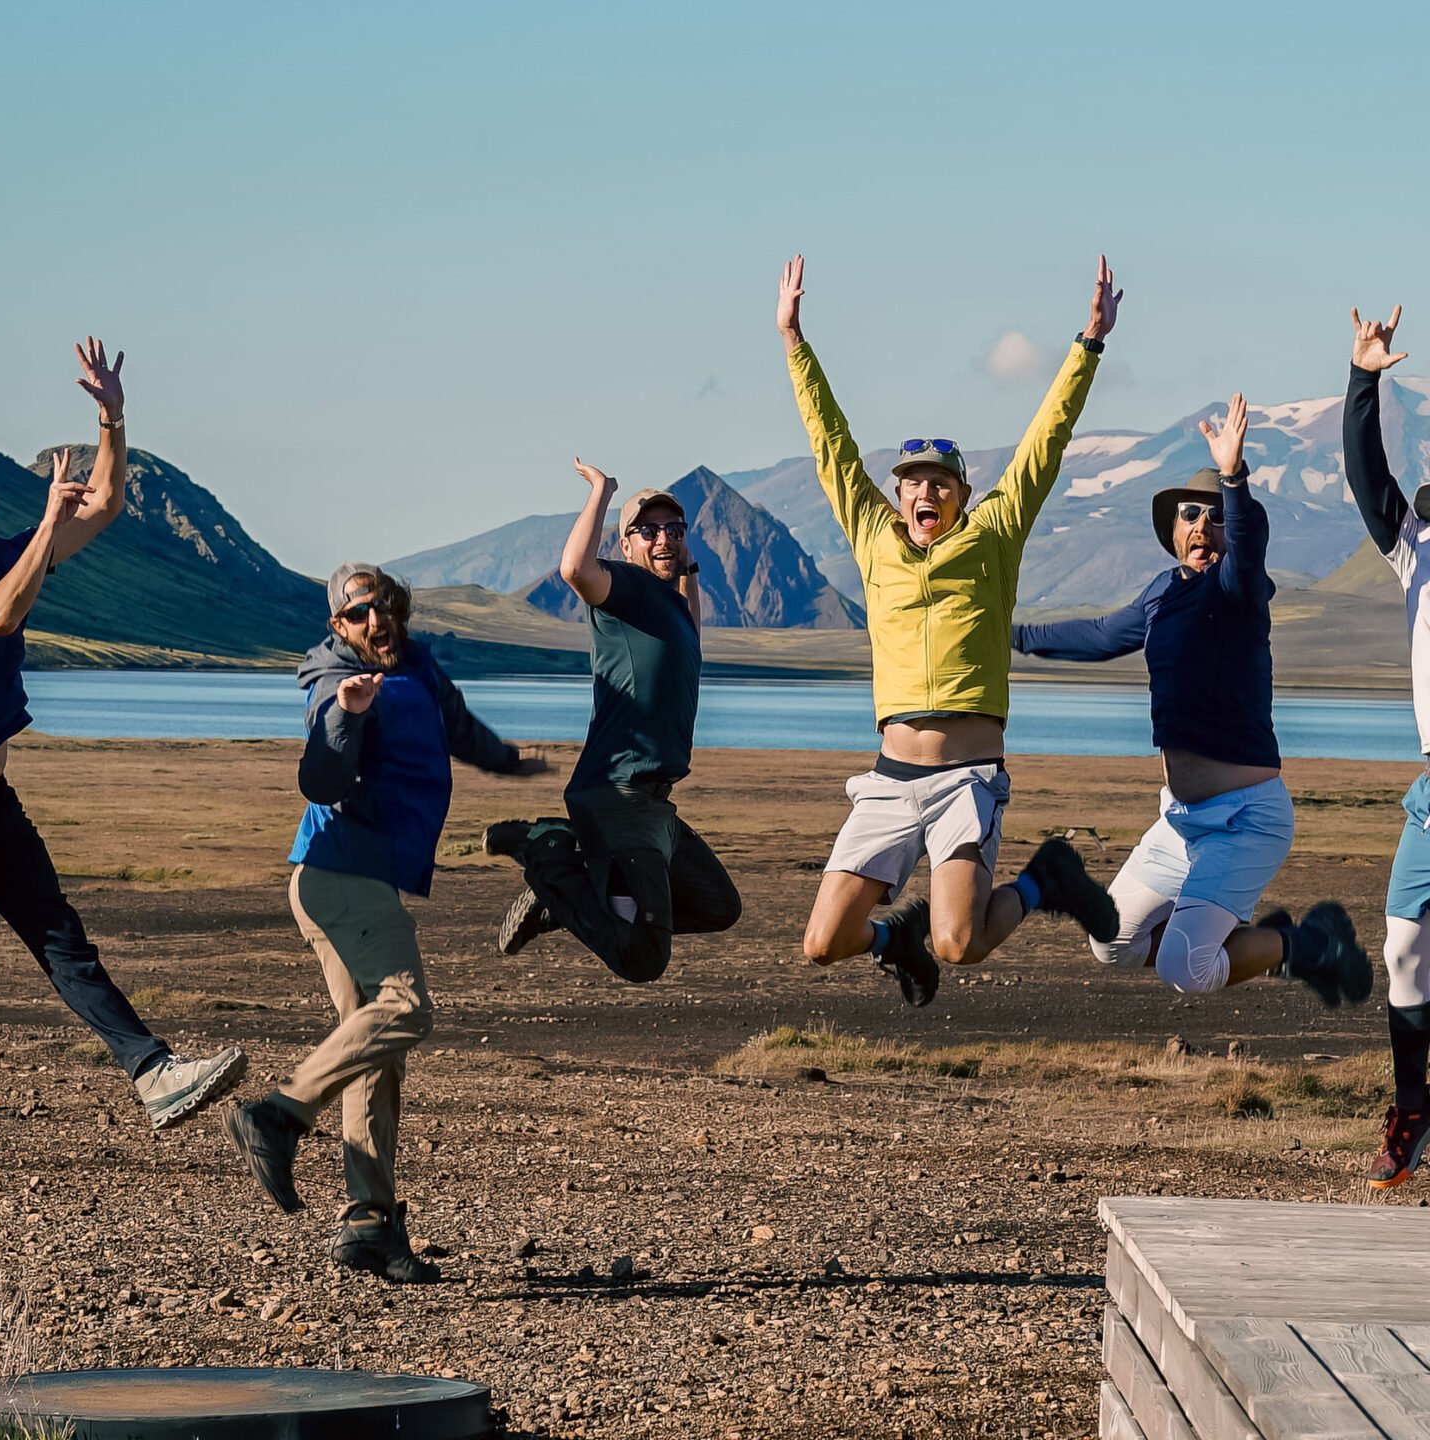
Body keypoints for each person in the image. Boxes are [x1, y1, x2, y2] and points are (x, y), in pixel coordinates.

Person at [777, 254, 1120, 1008]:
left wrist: (1086, 346)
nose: (925, 491)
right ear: (897, 495)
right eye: (913, 482)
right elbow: (830, 446)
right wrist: (795, 344)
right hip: (891, 779)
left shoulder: (993, 536)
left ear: (963, 494)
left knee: (959, 944)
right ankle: (892, 939)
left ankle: (1047, 879)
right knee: (822, 943)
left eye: (941, 482)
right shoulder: (872, 536)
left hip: (967, 775)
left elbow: (1044, 445)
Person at [222, 564, 545, 1282]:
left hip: (362, 879)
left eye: (388, 607)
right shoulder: (333, 682)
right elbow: (321, 779)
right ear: (339, 625)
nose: (379, 622)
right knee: (405, 1009)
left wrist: (511, 763)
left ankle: (369, 1224)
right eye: (362, 613)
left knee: (374, 1044)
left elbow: (459, 727)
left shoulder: (417, 667)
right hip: (341, 879)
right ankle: (279, 1116)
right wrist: (347, 712)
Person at [1013, 392, 1372, 1007]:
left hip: (1245, 821)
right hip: (1180, 821)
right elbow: (1098, 636)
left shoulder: (1241, 588)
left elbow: (1250, 535)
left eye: (1215, 516)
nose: (1202, 525)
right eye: (1189, 514)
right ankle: (1233, 934)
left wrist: (1233, 475)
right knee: (1114, 944)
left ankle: (1305, 945)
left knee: (1185, 965)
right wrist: (1005, 635)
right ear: (1173, 530)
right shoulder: (1160, 593)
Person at [0, 337, 246, 1127]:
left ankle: (154, 1071)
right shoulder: (13, 559)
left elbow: (103, 507)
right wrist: (41, 529)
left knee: (61, 939)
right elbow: (0, 615)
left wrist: (112, 418)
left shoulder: (6, 554)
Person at [482, 460, 741, 983]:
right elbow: (576, 569)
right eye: (647, 531)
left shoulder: (668, 606)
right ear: (625, 547)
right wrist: (603, 491)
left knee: (718, 907)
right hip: (618, 794)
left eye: (674, 530)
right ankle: (546, 851)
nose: (663, 539)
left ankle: (565, 896)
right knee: (641, 959)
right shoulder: (624, 590)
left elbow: (692, 633)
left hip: (654, 804)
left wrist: (688, 570)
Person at [1340, 303, 1430, 1188]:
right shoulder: (1418, 548)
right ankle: (1412, 1104)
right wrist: (1365, 380)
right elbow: (1370, 479)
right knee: (1403, 946)